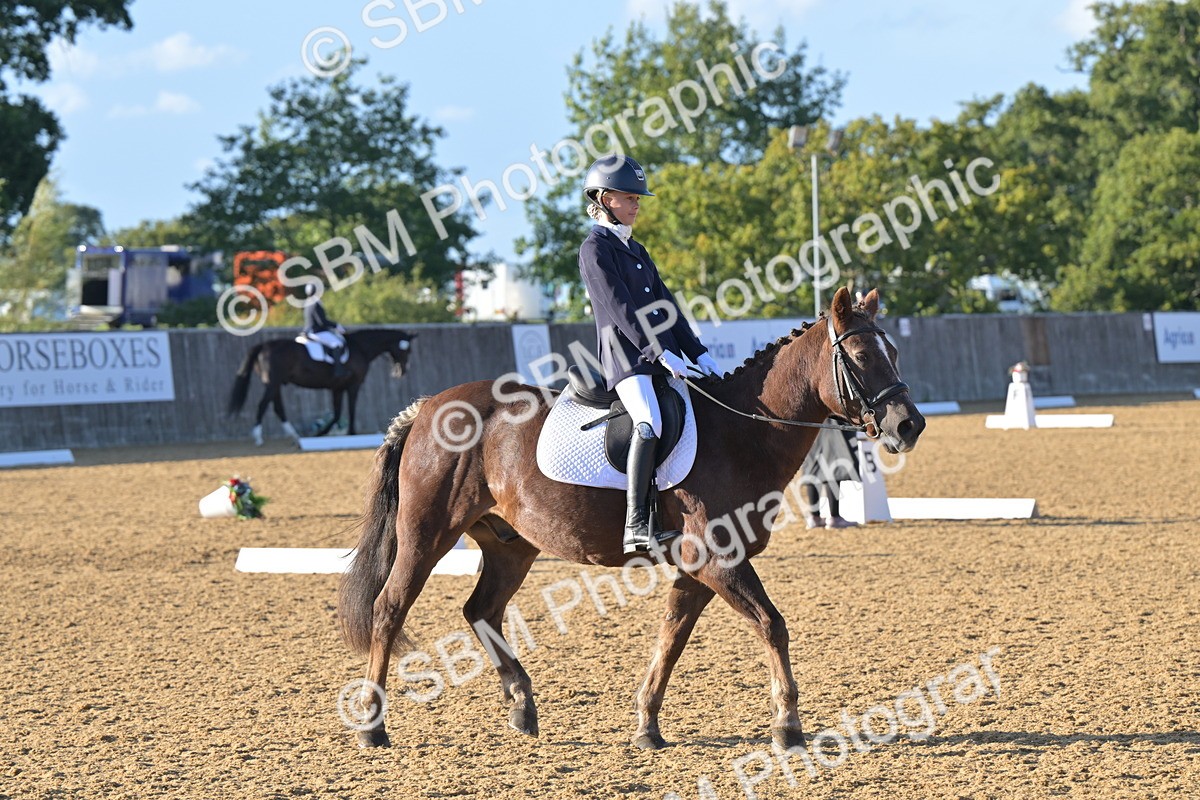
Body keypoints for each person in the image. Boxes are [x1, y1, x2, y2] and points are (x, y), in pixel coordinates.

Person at [577, 154, 722, 554]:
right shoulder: (595, 250)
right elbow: (620, 309)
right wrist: (657, 352)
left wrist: (697, 352)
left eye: (638, 198)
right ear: (605, 199)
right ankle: (637, 524)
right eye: (630, 198)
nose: (637, 205)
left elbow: (666, 307)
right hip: (627, 360)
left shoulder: (636, 249)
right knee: (649, 422)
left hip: (659, 355)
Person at [799, 416, 861, 530]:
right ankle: (834, 517)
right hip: (832, 423)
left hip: (812, 422)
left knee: (813, 468)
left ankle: (814, 517)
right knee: (833, 466)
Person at [302, 284, 349, 378]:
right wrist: (336, 325)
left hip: (308, 331)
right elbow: (322, 322)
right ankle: (338, 370)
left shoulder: (307, 303)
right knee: (337, 343)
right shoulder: (316, 303)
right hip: (317, 332)